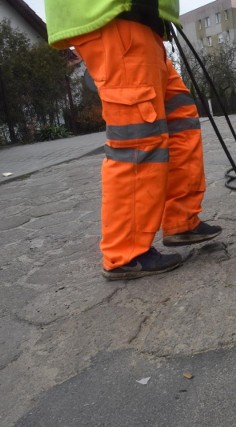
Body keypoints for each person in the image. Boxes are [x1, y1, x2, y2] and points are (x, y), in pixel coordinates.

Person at [44, 1, 222, 280]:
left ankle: (180, 221)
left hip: (140, 21)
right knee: (138, 138)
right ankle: (125, 253)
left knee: (180, 117)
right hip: (115, 16)